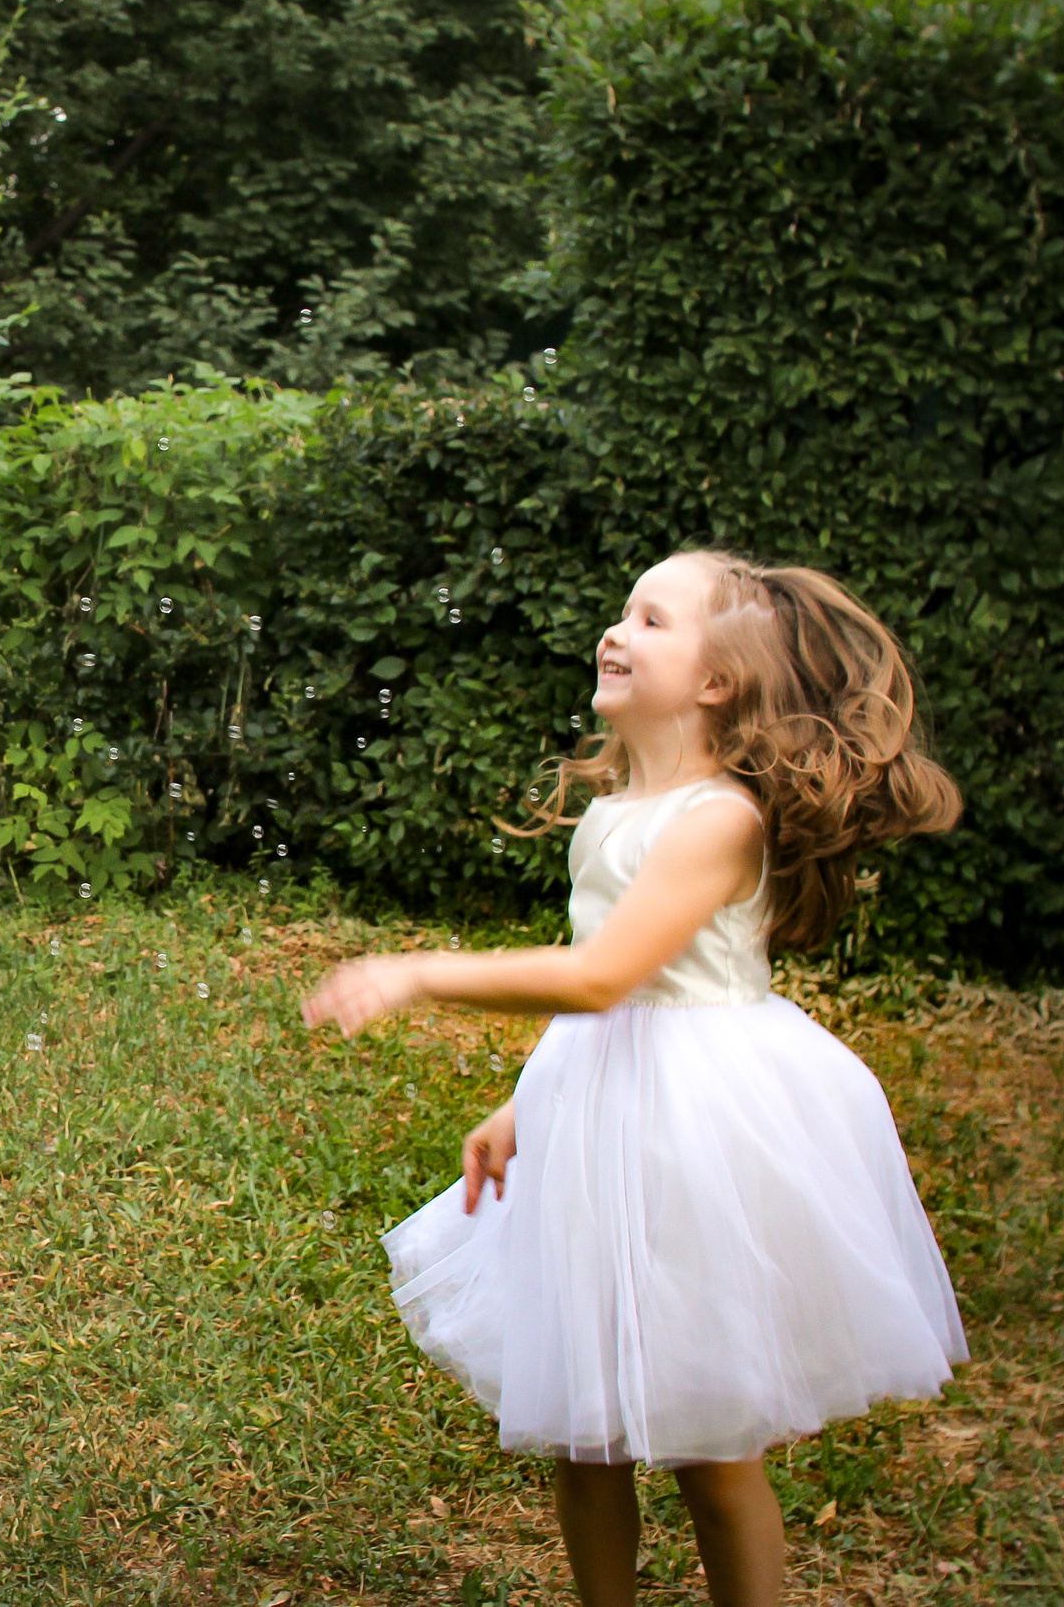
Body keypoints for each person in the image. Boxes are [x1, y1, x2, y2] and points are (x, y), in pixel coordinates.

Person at [302, 551, 968, 1607]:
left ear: (716, 681)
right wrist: (526, 1102)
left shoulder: (718, 819)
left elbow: (605, 974)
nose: (617, 630)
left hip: (696, 1124)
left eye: (651, 618)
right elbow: (605, 999)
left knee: (710, 1438)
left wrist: (417, 970)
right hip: (600, 1104)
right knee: (584, 1425)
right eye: (622, 611)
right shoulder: (620, 800)